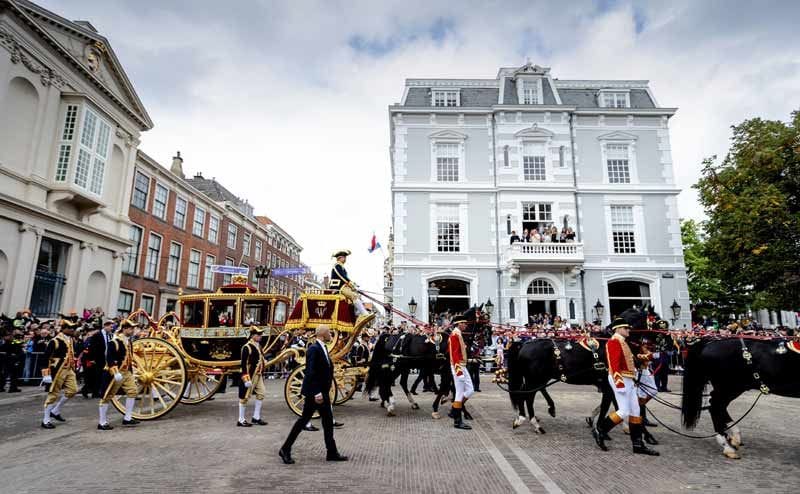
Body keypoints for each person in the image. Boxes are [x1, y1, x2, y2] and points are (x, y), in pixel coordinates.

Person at [279, 324, 347, 464]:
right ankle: (285, 449)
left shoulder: (323, 348)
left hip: (323, 392)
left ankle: (331, 452)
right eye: (328, 332)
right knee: (303, 421)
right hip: (315, 394)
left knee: (328, 422)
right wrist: (316, 392)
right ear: (322, 334)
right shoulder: (313, 349)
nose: (330, 335)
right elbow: (310, 372)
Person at [592, 318, 659, 456]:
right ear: (617, 329)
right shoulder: (614, 342)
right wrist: (619, 382)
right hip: (621, 379)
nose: (629, 330)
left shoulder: (623, 342)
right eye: (626, 328)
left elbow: (631, 360)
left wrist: (648, 357)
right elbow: (614, 364)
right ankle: (600, 430)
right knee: (623, 411)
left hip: (629, 379)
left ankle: (638, 444)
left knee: (635, 412)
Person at [98, 319, 139, 430]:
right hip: (115, 372)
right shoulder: (115, 341)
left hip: (126, 372)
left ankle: (128, 418)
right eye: (131, 328)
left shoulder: (128, 341)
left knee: (133, 391)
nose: (133, 330)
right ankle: (102, 422)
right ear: (124, 329)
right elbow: (109, 358)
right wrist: (115, 372)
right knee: (107, 396)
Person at [41, 319, 80, 429]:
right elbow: (46, 357)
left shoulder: (71, 340)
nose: (72, 330)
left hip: (69, 369)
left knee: (73, 390)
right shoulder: (55, 341)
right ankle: (46, 419)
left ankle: (56, 410)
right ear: (64, 329)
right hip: (57, 370)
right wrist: (46, 374)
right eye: (70, 328)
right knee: (53, 393)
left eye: (73, 328)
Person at [448, 315, 474, 430]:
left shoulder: (458, 334)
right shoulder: (454, 335)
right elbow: (454, 354)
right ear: (459, 324)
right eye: (464, 323)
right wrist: (458, 371)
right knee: (459, 393)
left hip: (463, 366)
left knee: (470, 390)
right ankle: (457, 421)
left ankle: (454, 410)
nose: (466, 325)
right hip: (458, 367)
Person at [238, 326, 267, 427]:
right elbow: (243, 364)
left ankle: (256, 417)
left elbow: (260, 357)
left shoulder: (258, 346)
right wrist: (246, 379)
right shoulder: (247, 347)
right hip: (250, 375)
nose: (260, 336)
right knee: (244, 397)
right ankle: (241, 419)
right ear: (253, 336)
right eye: (258, 335)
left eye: (260, 335)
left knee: (261, 393)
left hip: (258, 374)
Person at [328, 249, 368, 320]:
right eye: (344, 257)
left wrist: (354, 284)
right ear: (339, 258)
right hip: (338, 287)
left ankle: (358, 314)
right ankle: (364, 314)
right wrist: (352, 285)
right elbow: (342, 277)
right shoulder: (337, 266)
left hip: (342, 286)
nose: (345, 259)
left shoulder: (341, 267)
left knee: (355, 297)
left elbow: (345, 277)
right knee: (354, 296)